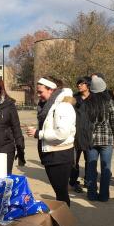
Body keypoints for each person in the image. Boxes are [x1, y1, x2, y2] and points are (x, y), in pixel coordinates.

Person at [27, 77, 75, 206]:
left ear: (51, 90)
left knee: (61, 193)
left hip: (59, 155)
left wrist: (39, 133)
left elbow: (62, 133)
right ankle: (62, 220)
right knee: (60, 192)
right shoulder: (51, 105)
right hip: (53, 154)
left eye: (40, 91)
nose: (38, 95)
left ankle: (62, 221)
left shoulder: (62, 106)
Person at [85, 75, 114, 202]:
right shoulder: (109, 102)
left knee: (91, 168)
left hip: (91, 140)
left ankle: (91, 194)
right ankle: (104, 195)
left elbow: (83, 123)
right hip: (107, 139)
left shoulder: (86, 103)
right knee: (106, 168)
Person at [69, 76, 91, 193]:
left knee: (90, 160)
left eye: (82, 84)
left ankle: (88, 181)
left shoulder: (94, 98)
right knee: (74, 161)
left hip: (89, 135)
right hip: (75, 135)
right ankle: (73, 182)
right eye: (78, 84)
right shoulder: (74, 98)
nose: (79, 86)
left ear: (88, 85)